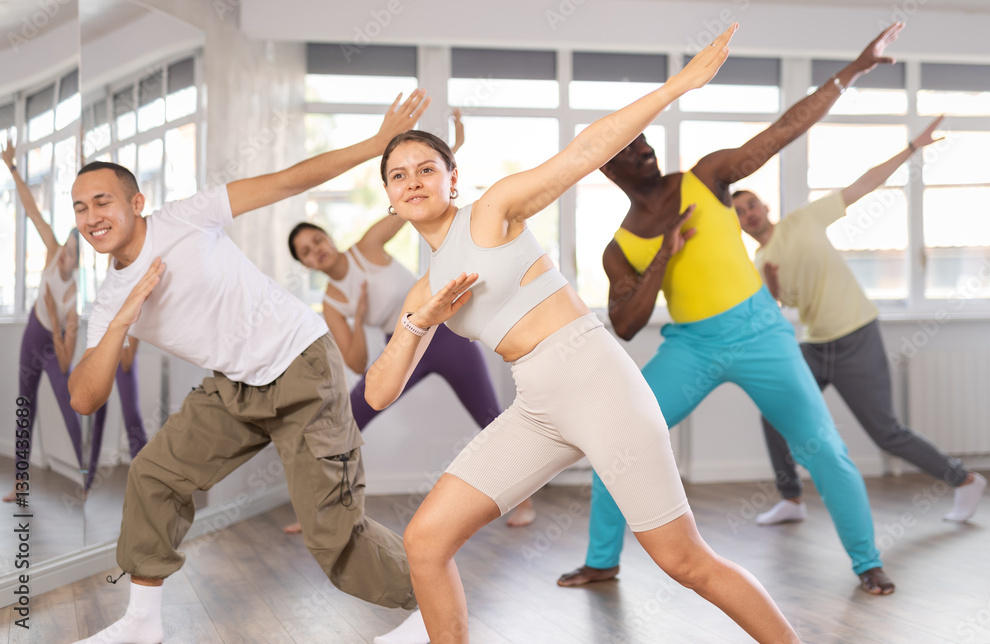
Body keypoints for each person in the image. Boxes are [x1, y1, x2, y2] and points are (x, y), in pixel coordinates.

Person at [367, 26, 803, 644]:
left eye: (426, 168)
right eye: (398, 175)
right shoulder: (422, 292)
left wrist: (678, 85)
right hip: (538, 406)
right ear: (388, 196)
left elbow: (585, 150)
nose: (412, 180)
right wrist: (420, 321)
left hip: (596, 380)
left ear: (451, 178)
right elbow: (380, 393)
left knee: (684, 562)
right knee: (425, 540)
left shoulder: (492, 210)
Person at [67, 91, 433, 644]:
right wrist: (121, 321)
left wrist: (373, 146)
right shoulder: (111, 297)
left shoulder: (186, 217)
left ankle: (434, 611)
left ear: (136, 202)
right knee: (153, 476)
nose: (92, 217)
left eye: (102, 202)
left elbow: (287, 181)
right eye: (80, 209)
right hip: (235, 387)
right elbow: (83, 397)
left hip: (301, 365)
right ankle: (142, 623)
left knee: (332, 534)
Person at [558, 23, 905, 596]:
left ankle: (867, 561)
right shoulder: (620, 249)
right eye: (628, 151)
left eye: (645, 142)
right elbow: (624, 324)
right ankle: (602, 561)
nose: (644, 151)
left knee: (825, 450)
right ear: (606, 168)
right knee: (617, 443)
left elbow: (783, 131)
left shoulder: (708, 175)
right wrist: (665, 257)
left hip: (761, 333)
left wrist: (852, 72)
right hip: (691, 346)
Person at [283, 110, 535, 536]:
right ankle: (322, 509)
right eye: (307, 252)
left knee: (489, 416)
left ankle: (524, 498)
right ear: (305, 264)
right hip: (404, 344)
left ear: (327, 237)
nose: (317, 251)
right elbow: (360, 361)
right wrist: (359, 316)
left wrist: (448, 155)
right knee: (349, 419)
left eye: (317, 240)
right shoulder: (332, 302)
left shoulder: (368, 245)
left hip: (449, 338)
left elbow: (413, 200)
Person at [734, 115, 988, 526]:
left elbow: (862, 186)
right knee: (774, 411)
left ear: (764, 206)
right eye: (740, 212)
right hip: (817, 345)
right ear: (738, 223)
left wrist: (911, 148)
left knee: (886, 433)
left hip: (856, 336)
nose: (749, 213)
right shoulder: (759, 261)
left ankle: (964, 480)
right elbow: (784, 309)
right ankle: (792, 500)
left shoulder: (803, 220)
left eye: (751, 204)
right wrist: (775, 290)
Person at [3, 137, 85, 502]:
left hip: (52, 344)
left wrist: (54, 314)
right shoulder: (52, 249)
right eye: (65, 250)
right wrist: (12, 167)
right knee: (26, 405)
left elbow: (66, 360)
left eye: (70, 253)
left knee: (70, 402)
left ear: (78, 261)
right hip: (32, 336)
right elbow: (32, 209)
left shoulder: (73, 299)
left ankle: (85, 476)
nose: (64, 256)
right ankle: (21, 483)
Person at [86, 336, 149, 492]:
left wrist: (116, 331)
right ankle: (87, 482)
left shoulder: (133, 316)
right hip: (103, 356)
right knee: (97, 420)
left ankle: (147, 483)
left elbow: (127, 363)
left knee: (132, 419)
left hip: (121, 357)